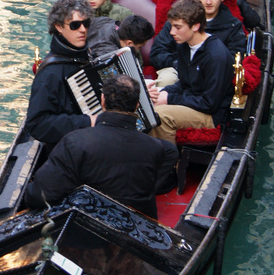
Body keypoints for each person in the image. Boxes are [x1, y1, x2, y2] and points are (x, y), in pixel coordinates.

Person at [25, 75, 178, 219]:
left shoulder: (75, 142)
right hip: (139, 222)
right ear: (137, 105)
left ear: (102, 100)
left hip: (87, 223)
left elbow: (41, 195)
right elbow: (171, 153)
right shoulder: (157, 147)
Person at [147, 0, 234, 145]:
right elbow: (185, 83)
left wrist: (169, 99)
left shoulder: (216, 56)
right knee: (149, 104)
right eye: (172, 27)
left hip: (211, 115)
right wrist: (162, 92)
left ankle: (167, 165)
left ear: (195, 26)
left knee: (160, 114)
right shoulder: (184, 45)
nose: (172, 32)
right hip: (194, 102)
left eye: (178, 27)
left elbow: (209, 103)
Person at [150, 0, 247, 87]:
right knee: (167, 80)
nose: (209, 1)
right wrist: (179, 63)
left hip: (212, 74)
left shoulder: (233, 25)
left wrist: (201, 67)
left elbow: (234, 60)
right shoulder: (178, 20)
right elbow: (157, 53)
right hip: (177, 69)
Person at [25, 0, 96, 147]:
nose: (83, 29)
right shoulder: (49, 73)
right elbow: (37, 124)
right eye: (75, 25)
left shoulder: (88, 54)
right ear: (59, 27)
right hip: (71, 149)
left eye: (86, 23)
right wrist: (87, 121)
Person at [87, 13, 155, 60]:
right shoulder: (111, 56)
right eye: (139, 47)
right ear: (129, 43)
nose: (138, 50)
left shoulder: (105, 20)